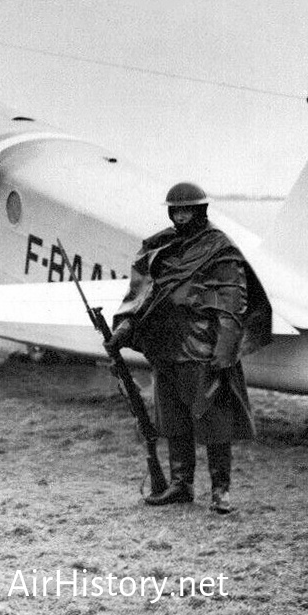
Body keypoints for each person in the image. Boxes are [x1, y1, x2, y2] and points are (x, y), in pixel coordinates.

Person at [108, 182, 272, 514]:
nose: (181, 217)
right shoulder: (161, 245)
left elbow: (233, 302)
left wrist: (225, 350)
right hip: (165, 345)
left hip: (202, 348)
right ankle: (181, 485)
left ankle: (220, 491)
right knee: (172, 419)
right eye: (176, 211)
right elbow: (143, 294)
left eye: (188, 211)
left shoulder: (219, 248)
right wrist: (125, 326)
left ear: (202, 211)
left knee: (214, 421)